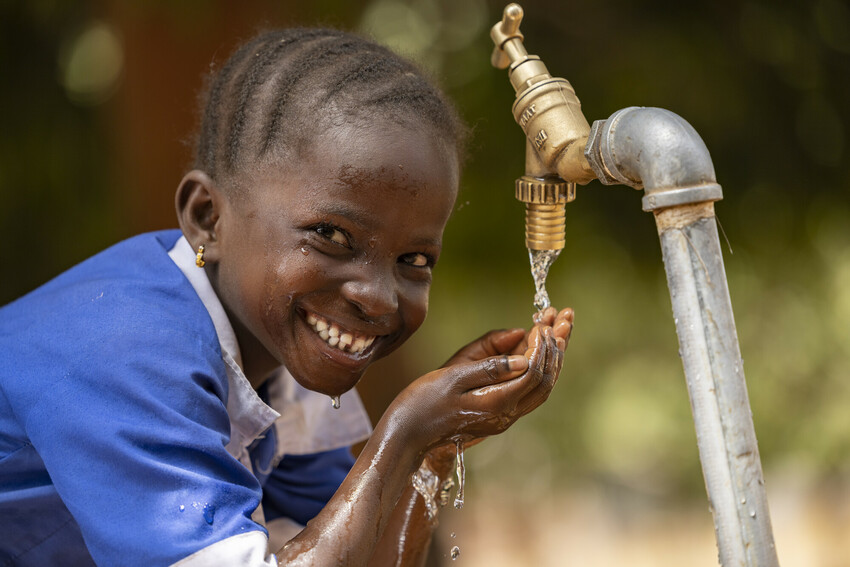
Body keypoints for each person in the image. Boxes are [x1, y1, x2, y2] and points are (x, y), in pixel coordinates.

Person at [0, 27, 574, 566]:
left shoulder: (279, 354)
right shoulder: (124, 350)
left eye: (413, 260)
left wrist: (435, 445)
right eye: (331, 236)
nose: (377, 298)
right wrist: (404, 432)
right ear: (207, 218)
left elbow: (356, 555)